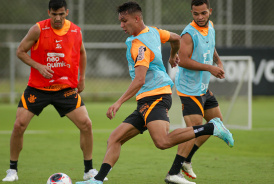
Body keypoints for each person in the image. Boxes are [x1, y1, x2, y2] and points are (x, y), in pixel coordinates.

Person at [84, 2, 233, 184]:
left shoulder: (139, 46)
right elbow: (176, 38)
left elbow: (139, 80)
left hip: (155, 96)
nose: (121, 25)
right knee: (115, 138)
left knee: (163, 142)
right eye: (120, 21)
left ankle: (212, 128)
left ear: (137, 18)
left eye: (124, 21)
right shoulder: (153, 31)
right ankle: (97, 180)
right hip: (147, 99)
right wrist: (172, 55)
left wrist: (118, 102)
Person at [2, 0, 99, 182]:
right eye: (54, 14)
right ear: (49, 13)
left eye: (61, 14)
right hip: (38, 88)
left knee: (86, 124)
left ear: (67, 12)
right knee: (18, 125)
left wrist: (82, 78)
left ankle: (89, 170)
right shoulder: (38, 29)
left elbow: (82, 52)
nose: (57, 18)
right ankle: (12, 170)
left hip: (65, 89)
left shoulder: (76, 30)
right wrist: (38, 66)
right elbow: (21, 51)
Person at [166, 0, 227, 183]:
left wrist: (218, 61)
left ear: (210, 11)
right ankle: (173, 173)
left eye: (203, 13)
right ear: (191, 12)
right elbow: (183, 61)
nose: (199, 17)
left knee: (216, 123)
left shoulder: (211, 27)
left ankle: (187, 159)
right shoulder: (188, 34)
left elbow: (211, 46)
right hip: (189, 89)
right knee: (193, 130)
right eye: (195, 14)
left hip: (202, 87)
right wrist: (210, 69)